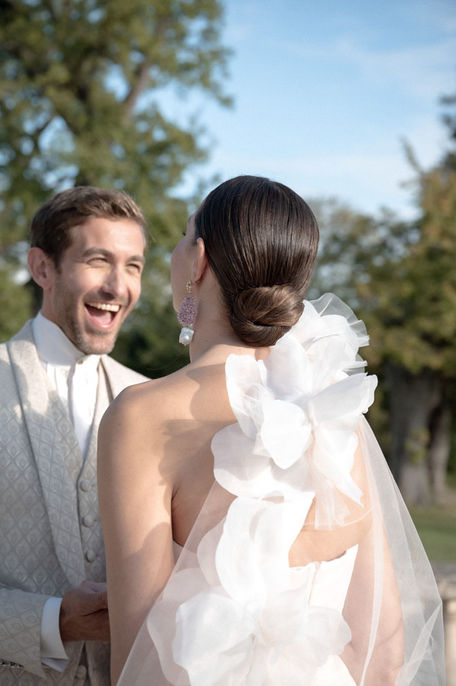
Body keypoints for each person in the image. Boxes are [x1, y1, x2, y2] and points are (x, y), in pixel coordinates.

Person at [98, 176, 445, 685]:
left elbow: (136, 652)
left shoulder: (143, 415)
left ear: (198, 261)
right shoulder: (331, 417)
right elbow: (386, 654)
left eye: (181, 236)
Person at [0, 186, 149, 685]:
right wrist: (52, 619)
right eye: (98, 260)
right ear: (43, 268)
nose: (117, 286)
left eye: (133, 266)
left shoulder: (152, 400)